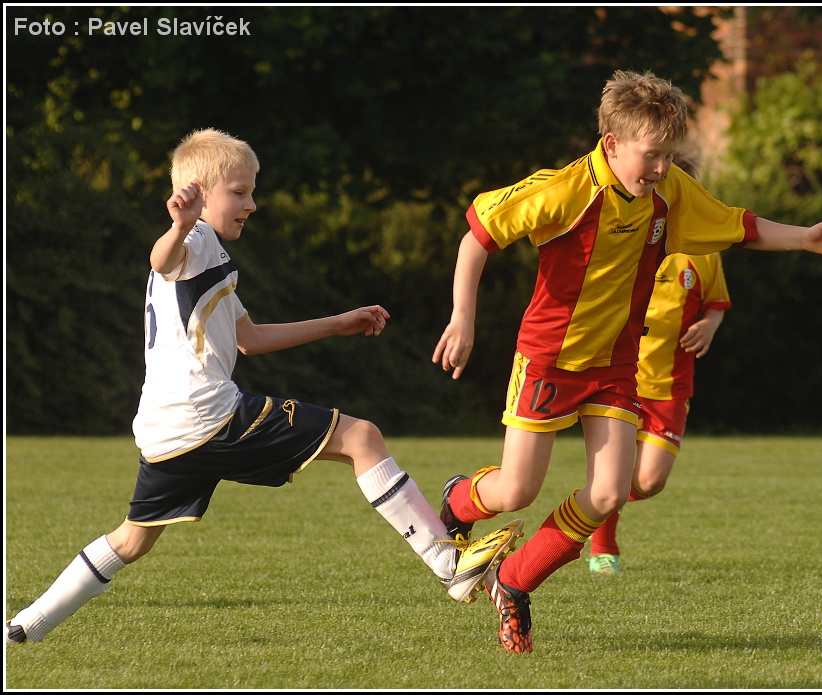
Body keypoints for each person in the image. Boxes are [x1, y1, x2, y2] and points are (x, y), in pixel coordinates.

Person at [4, 128, 522, 645]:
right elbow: (161, 259)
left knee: (132, 540)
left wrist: (338, 323)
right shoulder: (195, 240)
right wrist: (179, 226)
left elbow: (248, 339)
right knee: (362, 438)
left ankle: (26, 625)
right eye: (240, 192)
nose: (251, 204)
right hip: (209, 416)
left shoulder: (210, 255)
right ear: (199, 194)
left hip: (165, 432)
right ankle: (448, 565)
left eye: (252, 191)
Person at [431, 70, 822, 654]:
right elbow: (478, 236)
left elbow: (737, 224)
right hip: (549, 360)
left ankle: (515, 581)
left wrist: (805, 238)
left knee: (609, 493)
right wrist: (463, 318)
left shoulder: (670, 191)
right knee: (516, 491)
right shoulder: (565, 190)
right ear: (611, 144)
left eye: (669, 155)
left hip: (615, 367)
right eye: (651, 155)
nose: (661, 168)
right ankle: (459, 498)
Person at [587, 154, 731, 575]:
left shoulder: (703, 252)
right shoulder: (625, 237)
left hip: (670, 385)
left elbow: (716, 304)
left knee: (649, 481)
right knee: (616, 479)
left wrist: (709, 325)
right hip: (621, 381)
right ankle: (602, 544)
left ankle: (597, 498)